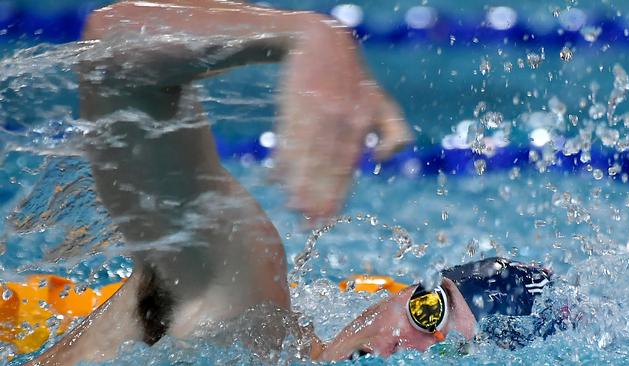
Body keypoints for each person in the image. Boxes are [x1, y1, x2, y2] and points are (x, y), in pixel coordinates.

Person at [22, 1, 554, 364]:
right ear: (398, 295)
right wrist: (305, 34)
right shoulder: (244, 312)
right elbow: (115, 54)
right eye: (428, 311)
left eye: (451, 355)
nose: (410, 350)